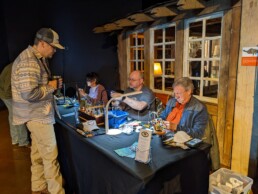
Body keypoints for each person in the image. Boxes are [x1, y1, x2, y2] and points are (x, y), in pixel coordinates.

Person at [11, 28, 65, 194]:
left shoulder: (36, 58)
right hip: (37, 117)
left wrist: (49, 83)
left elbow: (32, 86)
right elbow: (29, 93)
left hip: (35, 116)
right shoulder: (29, 61)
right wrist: (51, 87)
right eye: (53, 47)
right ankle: (56, 191)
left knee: (37, 154)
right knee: (50, 156)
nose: (54, 50)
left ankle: (39, 186)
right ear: (42, 43)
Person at [0, 63, 30, 147]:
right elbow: (7, 89)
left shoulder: (16, 65)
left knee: (13, 116)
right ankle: (23, 142)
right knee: (19, 116)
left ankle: (15, 139)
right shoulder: (14, 69)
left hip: (5, 93)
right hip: (7, 95)